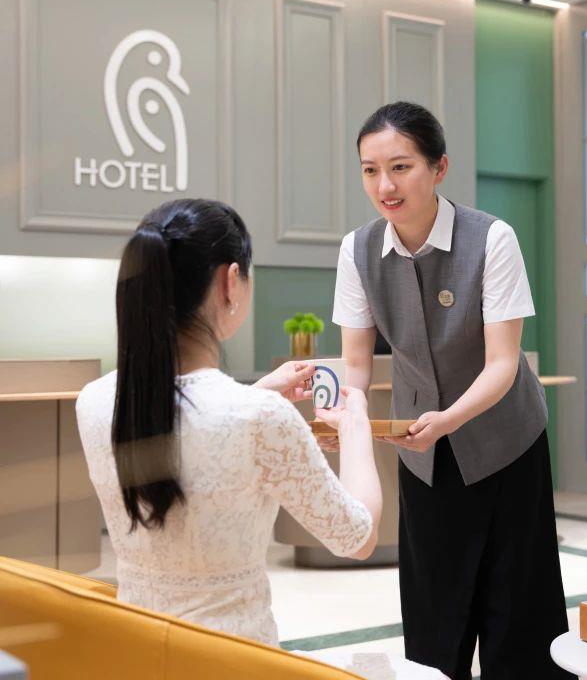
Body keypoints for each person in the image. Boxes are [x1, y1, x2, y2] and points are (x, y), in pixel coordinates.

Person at [330, 102, 574, 680]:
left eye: (400, 167)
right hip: (423, 453)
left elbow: (503, 363)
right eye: (370, 170)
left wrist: (448, 419)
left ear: (439, 167)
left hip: (507, 443)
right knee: (434, 616)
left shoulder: (492, 238)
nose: (385, 186)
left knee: (518, 612)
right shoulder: (357, 251)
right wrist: (345, 418)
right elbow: (355, 364)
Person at [75, 199, 384, 647]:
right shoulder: (259, 418)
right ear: (230, 281)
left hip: (135, 653)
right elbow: (357, 537)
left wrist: (257, 393)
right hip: (232, 658)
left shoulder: (95, 400)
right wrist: (356, 431)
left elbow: (188, 426)